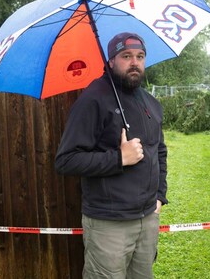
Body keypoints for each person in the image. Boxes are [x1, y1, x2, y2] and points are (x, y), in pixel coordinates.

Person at [55, 32, 168, 279]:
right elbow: (66, 160)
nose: (134, 62)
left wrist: (160, 195)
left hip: (147, 219)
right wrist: (119, 158)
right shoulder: (93, 99)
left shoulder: (149, 102)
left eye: (140, 56)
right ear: (111, 61)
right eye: (126, 56)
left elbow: (158, 149)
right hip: (109, 224)